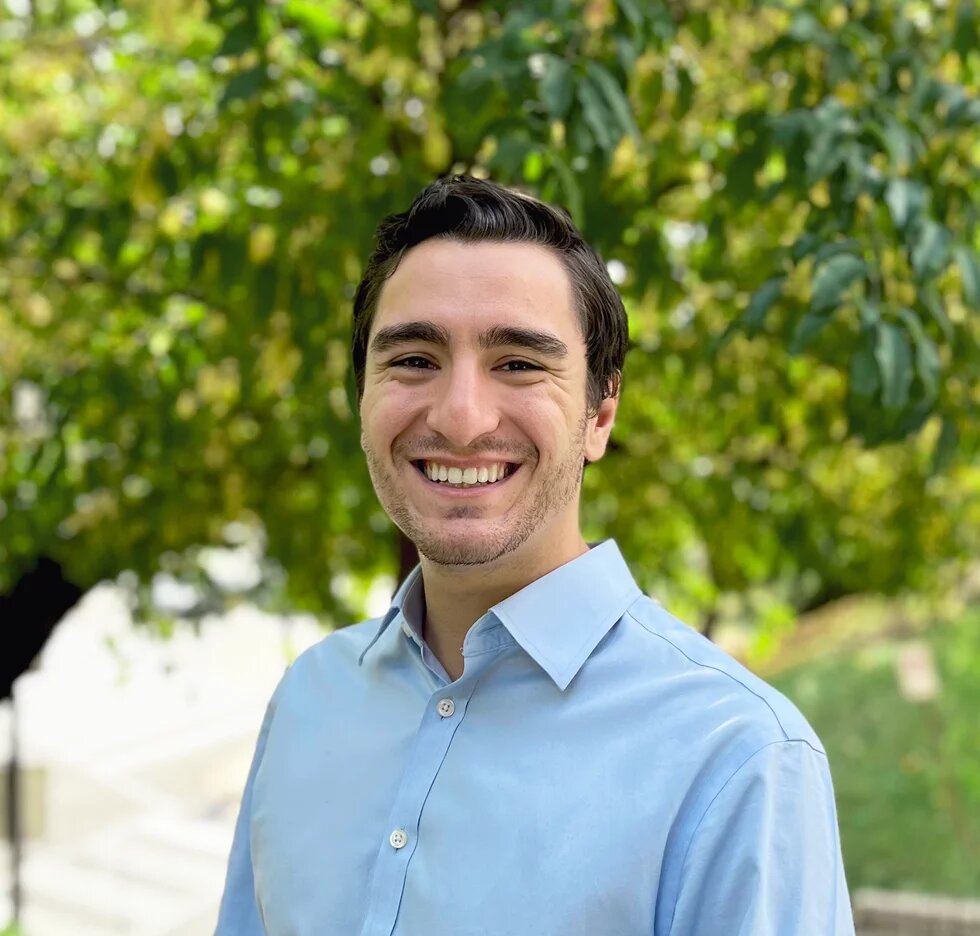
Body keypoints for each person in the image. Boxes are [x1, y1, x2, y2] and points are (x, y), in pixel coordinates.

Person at [215, 176, 855, 935]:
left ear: (599, 417)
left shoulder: (739, 760)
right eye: (414, 359)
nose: (460, 417)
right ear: (362, 397)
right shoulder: (309, 702)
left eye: (518, 363)